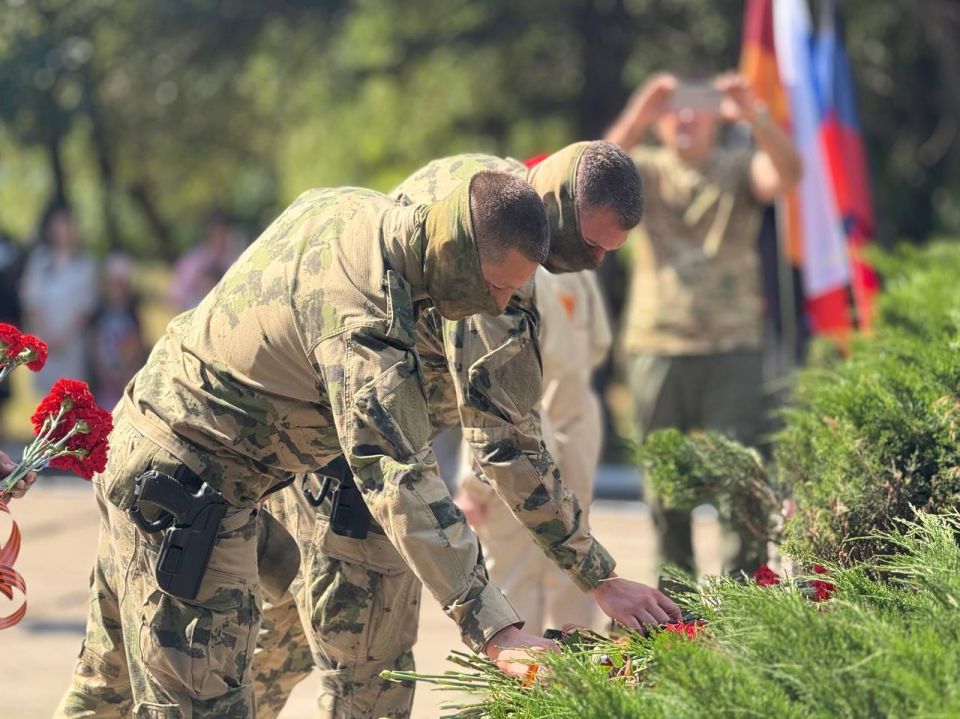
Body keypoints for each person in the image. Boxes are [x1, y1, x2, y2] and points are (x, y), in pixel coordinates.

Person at [54, 173, 578, 719]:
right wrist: (495, 629)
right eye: (495, 285)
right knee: (200, 706)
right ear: (455, 254)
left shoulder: (354, 209)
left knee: (104, 694)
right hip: (187, 496)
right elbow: (400, 478)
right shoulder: (364, 323)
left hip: (147, 447)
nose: (498, 305)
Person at [251, 142, 680, 719]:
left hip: (318, 446)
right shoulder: (498, 264)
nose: (598, 264)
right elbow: (505, 445)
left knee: (278, 645)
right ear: (556, 211)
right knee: (371, 678)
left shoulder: (486, 184)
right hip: (350, 463)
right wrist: (599, 579)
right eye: (593, 245)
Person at [605, 72, 802, 574]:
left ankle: (746, 605)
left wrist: (755, 113)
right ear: (660, 121)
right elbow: (594, 173)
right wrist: (637, 113)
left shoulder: (737, 168)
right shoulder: (644, 171)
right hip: (658, 343)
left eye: (698, 107)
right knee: (666, 487)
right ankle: (675, 609)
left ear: (718, 117)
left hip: (731, 345)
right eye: (675, 109)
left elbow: (790, 173)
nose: (686, 118)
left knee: (742, 483)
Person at [457, 266, 612, 634]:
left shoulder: (509, 269)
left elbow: (490, 396)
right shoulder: (577, 268)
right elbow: (599, 344)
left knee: (512, 578)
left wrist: (474, 484)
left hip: (523, 441)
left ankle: (518, 682)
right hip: (575, 425)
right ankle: (576, 676)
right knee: (577, 565)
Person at [20, 202, 98, 393]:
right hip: (45, 340)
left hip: (72, 344)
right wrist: (47, 335)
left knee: (72, 396)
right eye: (58, 225)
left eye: (67, 224)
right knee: (47, 399)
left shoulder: (85, 264)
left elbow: (86, 307)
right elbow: (32, 301)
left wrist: (64, 337)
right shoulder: (40, 260)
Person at [87, 254, 148, 410]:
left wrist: (128, 371)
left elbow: (139, 345)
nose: (117, 289)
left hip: (127, 379)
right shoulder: (98, 314)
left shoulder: (134, 314)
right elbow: (94, 346)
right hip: (103, 383)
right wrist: (104, 375)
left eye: (121, 284)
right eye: (113, 283)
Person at [168, 209, 242, 311]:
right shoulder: (193, 262)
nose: (224, 235)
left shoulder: (235, 261)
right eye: (220, 230)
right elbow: (177, 297)